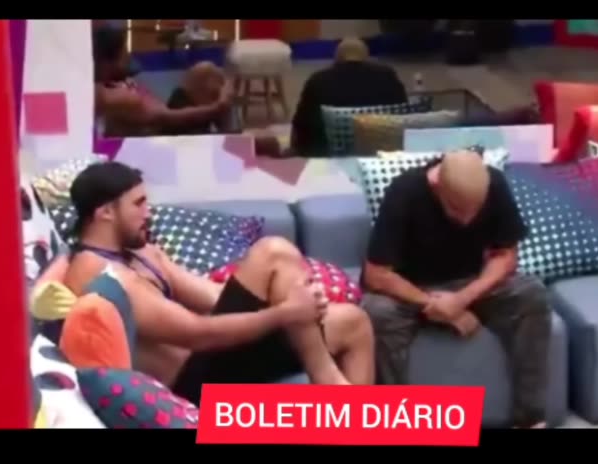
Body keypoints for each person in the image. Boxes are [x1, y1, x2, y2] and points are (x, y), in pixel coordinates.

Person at [61, 161, 375, 404]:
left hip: (216, 360)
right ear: (105, 212)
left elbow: (215, 297)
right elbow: (197, 333)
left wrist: (291, 300)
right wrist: (285, 313)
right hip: (188, 382)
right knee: (273, 251)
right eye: (138, 203)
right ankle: (328, 380)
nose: (148, 212)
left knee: (352, 321)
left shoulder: (143, 253)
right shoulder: (96, 271)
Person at [360, 150, 552, 429]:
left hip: (469, 283)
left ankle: (530, 419)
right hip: (410, 288)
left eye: (475, 211)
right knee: (376, 312)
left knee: (531, 293)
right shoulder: (404, 191)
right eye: (457, 210)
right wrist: (438, 306)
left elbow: (506, 255)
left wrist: (462, 299)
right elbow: (376, 274)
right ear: (437, 184)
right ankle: (396, 424)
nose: (467, 220)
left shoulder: (495, 183)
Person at [92, 27, 233, 137]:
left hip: (164, 119)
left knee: (204, 71)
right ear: (107, 64)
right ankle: (228, 138)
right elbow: (168, 118)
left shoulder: (116, 82)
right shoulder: (115, 97)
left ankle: (228, 135)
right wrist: (216, 108)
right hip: (162, 137)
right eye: (124, 53)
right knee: (208, 78)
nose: (128, 55)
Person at [289, 37, 408, 157]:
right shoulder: (388, 77)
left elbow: (301, 123)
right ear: (366, 58)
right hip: (381, 152)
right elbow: (404, 113)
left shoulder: (318, 80)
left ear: (336, 59)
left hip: (324, 154)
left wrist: (295, 149)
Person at [162, 61, 235, 135]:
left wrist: (224, 107)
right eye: (214, 94)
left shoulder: (209, 106)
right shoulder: (180, 105)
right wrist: (221, 105)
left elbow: (224, 132)